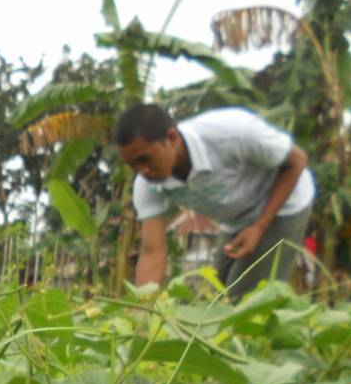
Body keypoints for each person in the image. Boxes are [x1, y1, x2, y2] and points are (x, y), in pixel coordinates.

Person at [114, 104, 315, 300]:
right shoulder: (147, 184)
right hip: (235, 219)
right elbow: (152, 251)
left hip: (283, 205)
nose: (142, 171)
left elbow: (297, 160)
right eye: (132, 165)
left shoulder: (233, 132)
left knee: (246, 300)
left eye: (145, 159)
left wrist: (260, 226)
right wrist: (141, 312)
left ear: (172, 138)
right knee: (216, 297)